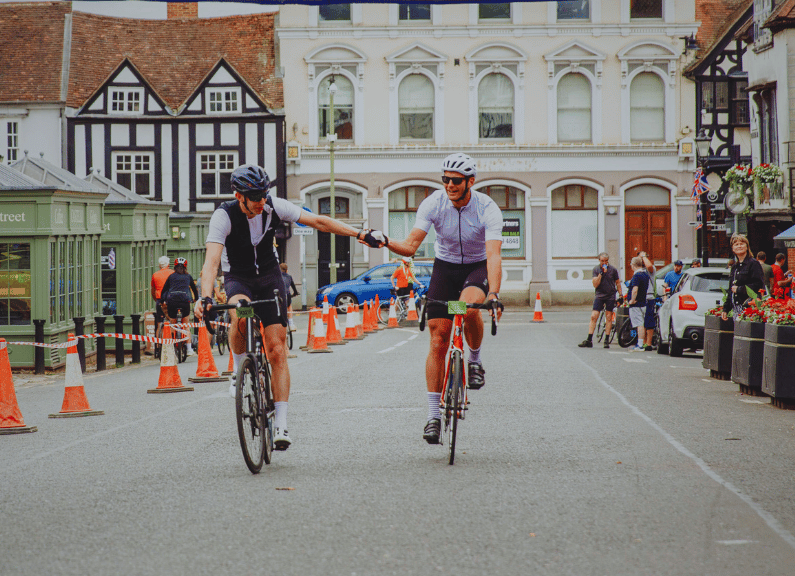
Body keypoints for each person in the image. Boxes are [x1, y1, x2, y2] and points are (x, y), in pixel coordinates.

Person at [194, 164, 383, 451]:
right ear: (239, 195)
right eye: (255, 197)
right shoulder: (223, 216)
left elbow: (318, 221)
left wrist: (360, 234)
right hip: (239, 280)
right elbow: (211, 262)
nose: (261, 202)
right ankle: (239, 365)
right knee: (240, 314)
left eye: (263, 195)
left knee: (277, 349)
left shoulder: (273, 206)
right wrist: (205, 297)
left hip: (270, 278)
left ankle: (281, 421)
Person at [359, 153, 503, 445]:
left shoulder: (487, 207)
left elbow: (493, 254)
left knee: (468, 308)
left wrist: (494, 294)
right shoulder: (433, 203)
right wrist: (386, 240)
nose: (449, 184)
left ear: (470, 182)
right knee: (438, 338)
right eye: (445, 179)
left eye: (456, 180)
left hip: (476, 267)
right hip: (445, 268)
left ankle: (474, 360)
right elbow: (411, 246)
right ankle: (433, 416)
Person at [578, 252, 623, 349]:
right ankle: (589, 339)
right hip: (599, 295)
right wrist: (601, 274)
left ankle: (606, 340)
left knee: (609, 316)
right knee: (594, 316)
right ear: (599, 260)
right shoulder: (596, 269)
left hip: (610, 295)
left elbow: (618, 283)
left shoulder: (613, 270)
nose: (604, 263)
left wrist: (620, 295)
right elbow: (595, 284)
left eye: (606, 261)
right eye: (602, 261)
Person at [161, 257, 199, 356]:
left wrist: (162, 300)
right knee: (186, 325)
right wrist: (196, 298)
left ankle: (172, 346)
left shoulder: (171, 277)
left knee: (173, 324)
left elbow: (164, 290)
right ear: (185, 267)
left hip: (172, 302)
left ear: (175, 266)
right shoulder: (188, 277)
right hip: (185, 302)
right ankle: (189, 349)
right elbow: (194, 289)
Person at [721, 234, 765, 320]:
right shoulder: (734, 267)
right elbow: (731, 290)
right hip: (736, 308)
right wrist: (725, 309)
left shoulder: (753, 264)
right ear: (733, 249)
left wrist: (740, 289)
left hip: (750, 308)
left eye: (742, 243)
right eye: (736, 244)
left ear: (747, 247)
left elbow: (759, 284)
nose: (739, 246)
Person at [626, 256, 650, 351]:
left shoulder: (636, 276)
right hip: (643, 302)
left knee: (639, 324)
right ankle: (640, 343)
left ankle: (640, 344)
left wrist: (632, 300)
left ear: (633, 265)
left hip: (636, 304)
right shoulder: (645, 275)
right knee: (642, 324)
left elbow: (635, 289)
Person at [150, 255, 173, 348]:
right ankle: (171, 343)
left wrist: (156, 300)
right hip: (170, 300)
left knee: (159, 323)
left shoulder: (155, 275)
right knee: (172, 320)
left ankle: (158, 346)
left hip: (159, 300)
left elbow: (153, 290)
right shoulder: (172, 273)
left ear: (159, 266)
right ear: (168, 264)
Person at [637, 251, 657, 350]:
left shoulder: (650, 269)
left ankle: (648, 343)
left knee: (649, 321)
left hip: (649, 297)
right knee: (641, 321)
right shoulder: (638, 270)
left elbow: (649, 266)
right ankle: (642, 342)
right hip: (640, 298)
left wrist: (644, 256)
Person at [280, 262, 299, 332]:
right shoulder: (289, 277)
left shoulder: (277, 277)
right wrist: (295, 293)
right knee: (289, 306)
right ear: (287, 270)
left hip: (279, 295)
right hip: (287, 294)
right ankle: (291, 324)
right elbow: (294, 287)